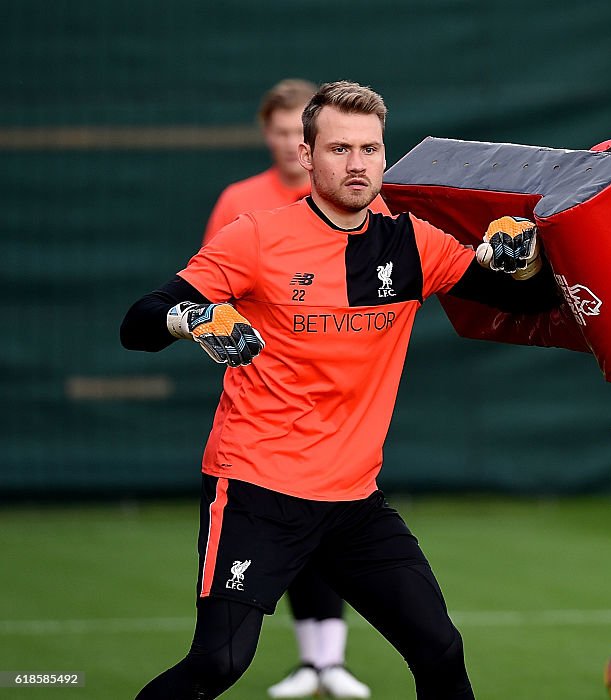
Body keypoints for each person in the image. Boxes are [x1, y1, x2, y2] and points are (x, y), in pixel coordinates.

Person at [121, 80, 558, 700]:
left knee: (440, 651)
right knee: (218, 662)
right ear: (306, 156)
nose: (358, 165)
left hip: (353, 501)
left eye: (371, 149)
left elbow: (527, 300)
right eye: (340, 149)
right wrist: (191, 319)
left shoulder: (412, 242)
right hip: (257, 487)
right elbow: (138, 323)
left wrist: (523, 256)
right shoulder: (257, 236)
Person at [204, 77, 380, 700]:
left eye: (364, 148)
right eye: (277, 132)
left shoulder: (369, 209)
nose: (286, 143)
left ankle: (325, 661)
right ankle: (312, 661)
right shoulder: (243, 205)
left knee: (336, 525)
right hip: (267, 416)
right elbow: (207, 295)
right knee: (221, 655)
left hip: (344, 408)